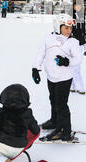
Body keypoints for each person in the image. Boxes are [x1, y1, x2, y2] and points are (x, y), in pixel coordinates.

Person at [32, 13, 82, 141]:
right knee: (53, 100)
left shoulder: (73, 42)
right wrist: (35, 69)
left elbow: (78, 59)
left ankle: (64, 130)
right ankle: (54, 121)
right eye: (65, 28)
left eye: (70, 28)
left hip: (64, 78)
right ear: (57, 26)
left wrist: (67, 61)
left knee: (61, 104)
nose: (68, 31)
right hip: (51, 77)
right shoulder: (48, 39)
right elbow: (40, 54)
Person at [70, 0, 86, 94]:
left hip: (80, 44)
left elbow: (84, 31)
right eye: (76, 5)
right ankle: (78, 86)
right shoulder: (70, 16)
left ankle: (74, 86)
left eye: (80, 5)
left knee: (76, 66)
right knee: (75, 66)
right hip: (72, 43)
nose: (78, 7)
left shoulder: (82, 16)